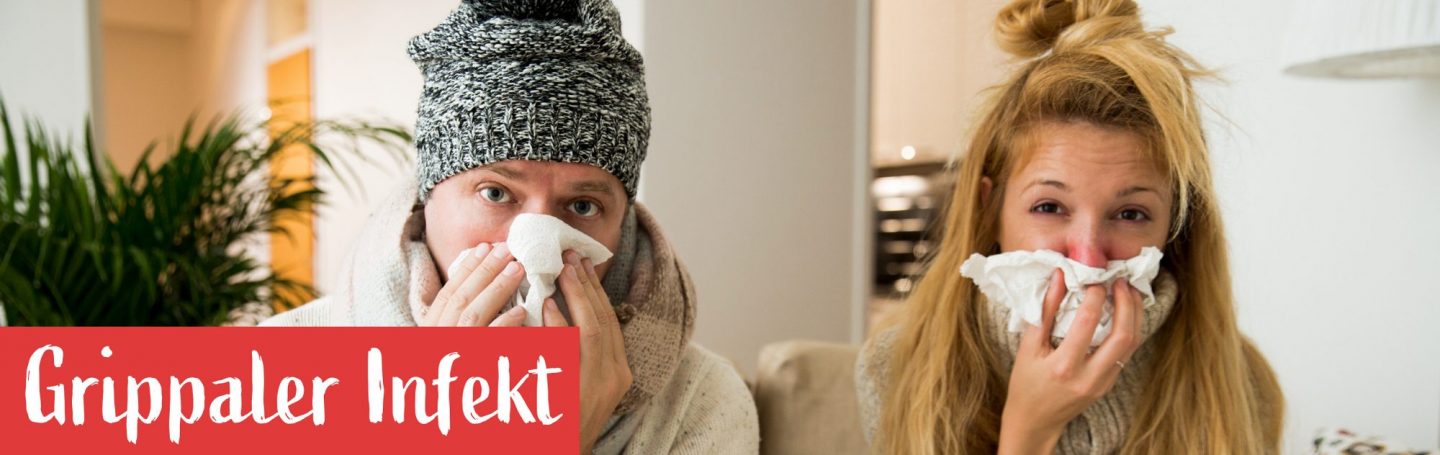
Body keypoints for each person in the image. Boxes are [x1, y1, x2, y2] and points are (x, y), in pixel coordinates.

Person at [262, 1, 759, 453]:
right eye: (496, 194)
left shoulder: (703, 400)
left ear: (621, 224)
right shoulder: (277, 374)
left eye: (582, 205)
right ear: (429, 197)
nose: (536, 252)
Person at [855, 0, 1284, 453]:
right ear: (989, 209)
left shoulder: (1242, 381)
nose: (1088, 257)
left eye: (1131, 214)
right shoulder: (896, 369)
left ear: (1175, 228)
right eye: (1049, 206)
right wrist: (1029, 431)